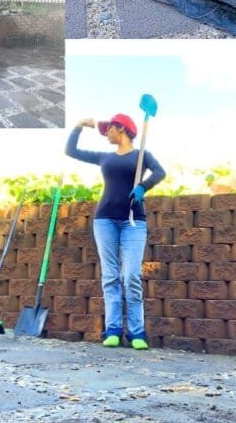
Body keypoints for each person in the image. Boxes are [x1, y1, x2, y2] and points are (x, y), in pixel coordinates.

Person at [65, 113, 166, 349]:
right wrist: (79, 126)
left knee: (130, 275)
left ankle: (137, 333)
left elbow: (160, 172)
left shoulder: (142, 156)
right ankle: (112, 330)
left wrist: (143, 186)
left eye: (108, 129)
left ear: (120, 128)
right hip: (105, 220)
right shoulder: (105, 157)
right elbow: (71, 151)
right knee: (110, 277)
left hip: (133, 221)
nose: (106, 133)